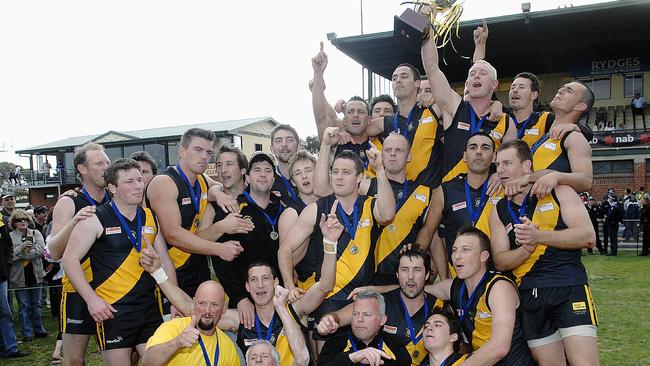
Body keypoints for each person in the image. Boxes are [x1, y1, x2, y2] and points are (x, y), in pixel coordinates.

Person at [489, 140, 598, 365]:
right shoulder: (499, 210)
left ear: (527, 166)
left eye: (507, 163)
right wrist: (526, 249)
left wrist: (539, 237)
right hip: (530, 295)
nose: (501, 170)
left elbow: (588, 236)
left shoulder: (559, 190)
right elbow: (500, 261)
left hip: (568, 287)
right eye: (498, 164)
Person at [63, 158, 176, 365]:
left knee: (164, 362)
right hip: (114, 311)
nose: (138, 186)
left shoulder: (150, 216)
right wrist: (91, 300)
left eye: (140, 180)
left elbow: (166, 260)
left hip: (149, 308)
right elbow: (69, 259)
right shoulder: (95, 217)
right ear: (112, 188)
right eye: (129, 182)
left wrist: (175, 299)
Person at [281, 150, 395, 335]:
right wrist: (289, 286)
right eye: (335, 172)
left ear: (360, 176)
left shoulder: (370, 204)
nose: (339, 177)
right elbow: (285, 249)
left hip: (361, 296)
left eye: (346, 172)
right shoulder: (317, 209)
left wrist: (380, 170)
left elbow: (388, 214)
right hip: (327, 296)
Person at [146, 128, 243, 299]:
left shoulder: (201, 179)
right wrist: (219, 249)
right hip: (169, 270)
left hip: (197, 263)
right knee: (179, 324)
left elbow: (216, 186)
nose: (204, 157)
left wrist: (218, 194)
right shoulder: (165, 182)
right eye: (198, 150)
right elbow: (173, 235)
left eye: (208, 152)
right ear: (182, 151)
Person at [420, 22, 515, 185]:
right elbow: (432, 68)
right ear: (467, 82)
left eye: (482, 73)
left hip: (489, 199)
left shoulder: (506, 122)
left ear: (494, 84)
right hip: (450, 199)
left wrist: (501, 175)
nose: (476, 76)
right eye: (472, 74)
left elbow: (513, 161)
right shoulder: (454, 107)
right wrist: (426, 28)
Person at [426, 226, 534, 365]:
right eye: (454, 250)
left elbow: (500, 347)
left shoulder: (499, 287)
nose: (457, 256)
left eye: (465, 250)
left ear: (483, 256)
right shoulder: (455, 287)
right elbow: (415, 292)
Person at [317, 246, 443, 365]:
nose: (410, 277)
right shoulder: (381, 301)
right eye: (404, 270)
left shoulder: (439, 306)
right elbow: (339, 317)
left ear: (427, 274)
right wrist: (329, 320)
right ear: (397, 274)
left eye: (417, 270)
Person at [46, 142, 111, 365]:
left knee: (123, 356)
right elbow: (53, 251)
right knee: (74, 360)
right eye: (100, 163)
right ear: (82, 169)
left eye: (108, 162)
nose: (107, 167)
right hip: (77, 290)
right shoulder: (69, 201)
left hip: (114, 287)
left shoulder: (117, 198)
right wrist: (74, 222)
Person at [206, 152, 284, 329]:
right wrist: (240, 298)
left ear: (273, 178)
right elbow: (221, 259)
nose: (263, 174)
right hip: (244, 301)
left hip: (278, 296)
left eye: (268, 170)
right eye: (257, 170)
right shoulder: (232, 209)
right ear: (247, 177)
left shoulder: (283, 208)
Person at [416, 132, 500, 279]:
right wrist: (415, 258)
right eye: (473, 147)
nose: (479, 151)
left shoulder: (505, 187)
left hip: (497, 273)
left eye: (485, 148)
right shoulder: (445, 191)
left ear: (494, 157)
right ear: (464, 156)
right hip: (459, 277)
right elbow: (429, 231)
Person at [143, 281, 242, 365]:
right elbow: (147, 361)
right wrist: (176, 343)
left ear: (224, 308)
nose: (207, 310)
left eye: (214, 305)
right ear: (194, 303)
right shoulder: (173, 327)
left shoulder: (228, 347)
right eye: (202, 303)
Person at [316, 290, 412, 365]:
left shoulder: (395, 345)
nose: (359, 319)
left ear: (382, 320)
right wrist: (351, 358)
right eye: (355, 314)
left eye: (367, 314)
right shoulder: (334, 343)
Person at [278, 151, 318, 293]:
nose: (304, 176)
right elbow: (288, 260)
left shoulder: (331, 202)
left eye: (308, 170)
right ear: (293, 181)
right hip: (310, 285)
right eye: (298, 173)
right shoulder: (291, 214)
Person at [8, 210, 49, 341]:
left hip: (35, 275)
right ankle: (27, 333)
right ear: (14, 223)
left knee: (36, 304)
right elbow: (10, 256)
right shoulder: (9, 236)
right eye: (19, 220)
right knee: (23, 306)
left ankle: (39, 329)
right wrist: (21, 248)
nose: (23, 222)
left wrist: (22, 254)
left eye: (25, 219)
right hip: (19, 277)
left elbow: (40, 251)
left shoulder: (36, 233)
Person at [0, 217, 29, 358]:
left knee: (5, 313)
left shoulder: (1, 221)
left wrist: (6, 266)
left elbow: (8, 248)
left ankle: (10, 348)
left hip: (1, 277)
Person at [270, 125, 301, 206]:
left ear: (298, 146)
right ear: (272, 148)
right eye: (278, 140)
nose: (284, 144)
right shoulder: (266, 180)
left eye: (290, 140)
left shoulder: (312, 177)